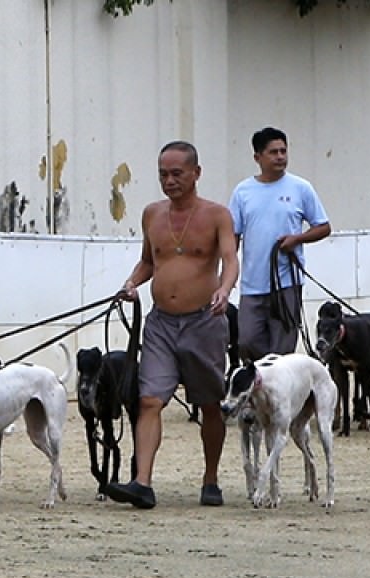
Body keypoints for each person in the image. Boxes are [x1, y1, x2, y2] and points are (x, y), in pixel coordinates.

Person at [106, 141, 239, 510]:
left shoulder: (217, 215)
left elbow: (229, 259)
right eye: (163, 174)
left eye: (177, 173)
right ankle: (142, 483)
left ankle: (210, 479)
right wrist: (131, 284)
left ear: (196, 173)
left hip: (205, 321)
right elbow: (148, 261)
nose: (170, 181)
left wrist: (225, 290)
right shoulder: (151, 214)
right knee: (149, 400)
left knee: (210, 403)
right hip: (160, 323)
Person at [229, 126, 330, 361]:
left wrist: (298, 239)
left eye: (283, 151)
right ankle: (262, 385)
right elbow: (232, 236)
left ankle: (280, 392)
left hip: (286, 284)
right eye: (273, 152)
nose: (280, 157)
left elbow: (323, 226)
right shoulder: (243, 192)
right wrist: (228, 274)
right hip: (252, 284)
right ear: (258, 157)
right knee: (247, 341)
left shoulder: (301, 188)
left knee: (283, 348)